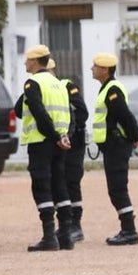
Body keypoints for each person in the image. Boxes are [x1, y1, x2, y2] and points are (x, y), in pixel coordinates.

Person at [18, 44, 73, 252]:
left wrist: (54, 136)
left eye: (27, 60)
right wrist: (62, 136)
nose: (25, 63)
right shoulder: (58, 84)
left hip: (42, 141)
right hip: (59, 142)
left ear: (34, 61)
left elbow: (40, 114)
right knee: (60, 185)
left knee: (42, 187)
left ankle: (49, 236)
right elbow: (66, 113)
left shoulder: (33, 83)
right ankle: (66, 235)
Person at [90, 52, 138, 245]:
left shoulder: (112, 90)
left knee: (117, 188)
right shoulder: (107, 88)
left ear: (104, 70)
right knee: (116, 188)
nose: (91, 69)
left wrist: (134, 136)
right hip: (112, 146)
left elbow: (124, 115)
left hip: (117, 145)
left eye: (95, 66)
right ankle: (127, 229)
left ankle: (129, 231)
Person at [49, 58, 89, 242]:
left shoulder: (66, 86)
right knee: (59, 183)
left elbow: (82, 112)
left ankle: (76, 225)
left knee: (72, 182)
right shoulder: (43, 90)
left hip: (73, 143)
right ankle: (65, 224)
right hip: (57, 144)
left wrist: (68, 133)